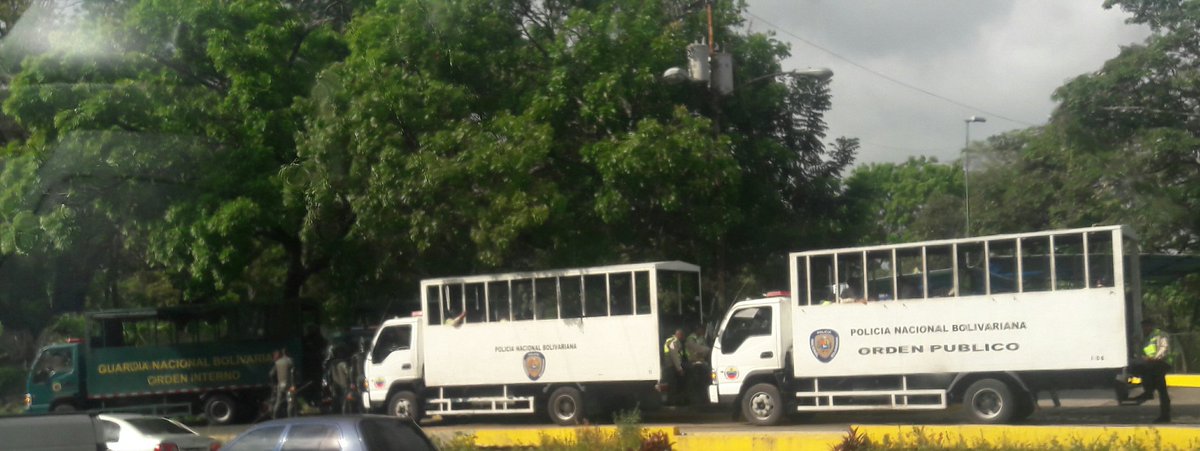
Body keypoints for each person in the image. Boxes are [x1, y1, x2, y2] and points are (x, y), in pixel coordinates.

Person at [1129, 318, 1172, 423]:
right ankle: (1149, 391)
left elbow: (1164, 348)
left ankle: (1164, 414)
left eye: (1146, 326)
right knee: (1141, 371)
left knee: (1162, 390)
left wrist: (1155, 359)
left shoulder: (1160, 335)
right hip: (1151, 364)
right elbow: (1143, 351)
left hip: (1160, 363)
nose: (1144, 329)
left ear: (1151, 326)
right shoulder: (1147, 337)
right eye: (1143, 327)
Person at [685, 325, 712, 406]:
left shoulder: (701, 338)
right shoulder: (691, 338)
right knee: (695, 384)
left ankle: (704, 400)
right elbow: (698, 348)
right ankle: (696, 402)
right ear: (697, 329)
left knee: (704, 383)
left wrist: (705, 351)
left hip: (701, 362)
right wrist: (707, 350)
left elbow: (704, 348)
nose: (702, 331)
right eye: (701, 329)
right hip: (693, 363)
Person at [662, 329, 687, 406]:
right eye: (682, 335)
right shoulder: (674, 342)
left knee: (672, 384)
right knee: (673, 385)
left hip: (670, 366)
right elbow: (675, 356)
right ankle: (672, 402)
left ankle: (672, 401)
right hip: (671, 367)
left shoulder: (671, 341)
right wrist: (679, 369)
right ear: (679, 335)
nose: (683, 337)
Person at [268, 349, 295, 419]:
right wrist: (293, 385)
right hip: (289, 386)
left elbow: (271, 374)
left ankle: (274, 417)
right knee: (290, 402)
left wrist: (274, 383)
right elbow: (292, 374)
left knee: (278, 402)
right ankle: (290, 418)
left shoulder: (277, 362)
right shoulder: (290, 361)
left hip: (280, 385)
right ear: (288, 353)